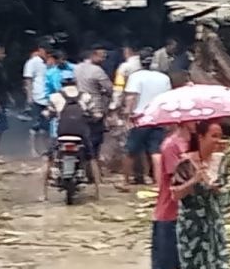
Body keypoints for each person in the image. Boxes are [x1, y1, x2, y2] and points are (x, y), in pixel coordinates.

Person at [171, 119, 230, 269]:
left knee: (220, 265)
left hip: (214, 222)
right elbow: (175, 194)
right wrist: (194, 182)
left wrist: (218, 189)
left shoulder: (221, 161)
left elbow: (228, 189)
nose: (218, 141)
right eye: (213, 136)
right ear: (201, 137)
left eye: (220, 136)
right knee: (192, 268)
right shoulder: (185, 163)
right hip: (191, 225)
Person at [151, 120, 195, 269]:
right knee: (164, 264)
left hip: (187, 212)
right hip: (168, 211)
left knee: (186, 262)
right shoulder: (171, 146)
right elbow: (176, 177)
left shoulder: (193, 144)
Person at [43, 75, 101, 202]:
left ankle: (44, 193)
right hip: (81, 134)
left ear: (62, 84)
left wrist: (48, 114)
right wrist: (94, 117)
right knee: (92, 158)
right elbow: (96, 114)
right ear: (75, 83)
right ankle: (97, 192)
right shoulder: (85, 96)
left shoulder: (55, 97)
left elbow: (47, 113)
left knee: (49, 158)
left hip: (61, 134)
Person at [121, 53, 171, 187]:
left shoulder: (136, 76)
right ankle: (159, 182)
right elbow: (167, 98)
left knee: (130, 150)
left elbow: (131, 97)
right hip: (158, 118)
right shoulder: (164, 78)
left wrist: (127, 114)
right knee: (156, 151)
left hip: (140, 118)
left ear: (140, 63)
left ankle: (125, 181)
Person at [73, 45, 113, 163]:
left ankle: (81, 160)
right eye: (102, 56)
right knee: (96, 137)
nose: (104, 59)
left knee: (81, 135)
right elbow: (109, 88)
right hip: (95, 108)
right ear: (93, 55)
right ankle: (93, 161)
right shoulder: (97, 70)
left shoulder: (76, 68)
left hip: (79, 106)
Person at [23, 44, 50, 156]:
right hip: (36, 97)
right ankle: (32, 149)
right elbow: (28, 80)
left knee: (45, 126)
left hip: (47, 97)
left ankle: (45, 148)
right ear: (40, 50)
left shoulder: (47, 63)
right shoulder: (32, 62)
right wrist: (29, 97)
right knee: (35, 125)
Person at [112, 46, 143, 110]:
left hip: (128, 101)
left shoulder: (124, 67)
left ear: (127, 51)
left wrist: (115, 103)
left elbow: (119, 86)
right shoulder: (143, 64)